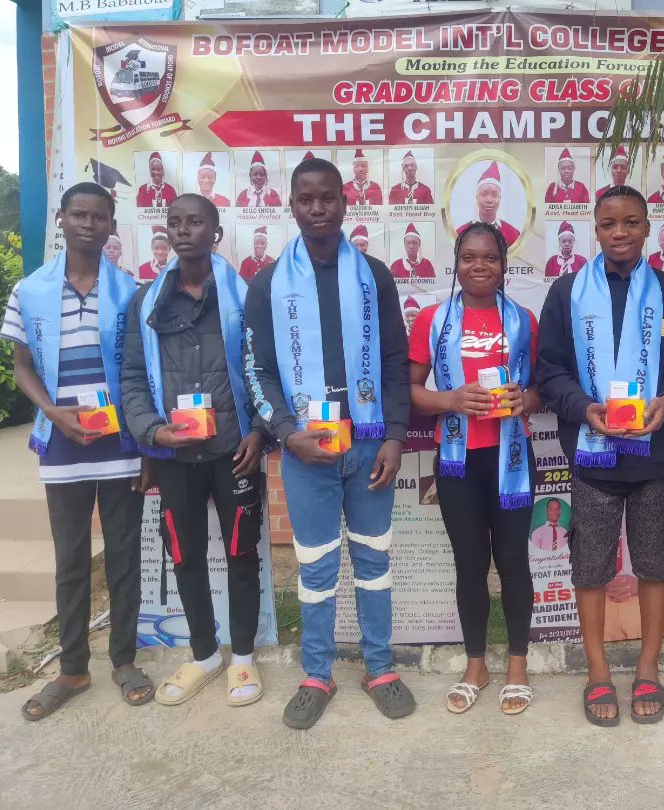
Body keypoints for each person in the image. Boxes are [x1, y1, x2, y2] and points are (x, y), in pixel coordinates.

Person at [244, 157, 413, 729]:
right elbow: (256, 369)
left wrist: (394, 435)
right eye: (305, 199)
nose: (317, 208)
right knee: (315, 567)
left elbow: (395, 360)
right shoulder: (268, 283)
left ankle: (380, 667)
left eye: (328, 198)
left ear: (345, 202)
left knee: (373, 560)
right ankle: (316, 673)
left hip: (367, 444)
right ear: (290, 205)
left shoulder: (375, 276)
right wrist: (288, 433)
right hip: (305, 450)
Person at [537, 185, 664, 726]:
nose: (620, 233)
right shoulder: (566, 293)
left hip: (652, 452)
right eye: (609, 224)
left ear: (648, 228)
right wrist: (584, 409)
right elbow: (550, 370)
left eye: (631, 222)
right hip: (592, 454)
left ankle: (649, 666)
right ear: (595, 229)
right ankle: (598, 671)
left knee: (655, 563)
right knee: (591, 566)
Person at [0, 182, 152, 720]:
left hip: (120, 444)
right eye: (78, 214)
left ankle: (125, 660)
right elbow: (22, 364)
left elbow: (140, 373)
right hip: (62, 443)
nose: (88, 224)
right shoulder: (30, 291)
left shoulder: (130, 291)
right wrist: (54, 411)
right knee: (70, 561)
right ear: (61, 219)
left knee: (124, 557)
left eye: (99, 216)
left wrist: (146, 448)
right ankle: (72, 668)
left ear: (113, 225)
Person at [121, 194, 269, 708]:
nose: (185, 231)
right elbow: (134, 379)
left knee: (241, 555)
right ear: (166, 232)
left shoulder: (244, 296)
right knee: (184, 558)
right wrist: (153, 432)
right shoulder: (147, 303)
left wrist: (260, 433)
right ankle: (205, 655)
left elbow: (262, 371)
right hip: (175, 458)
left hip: (236, 451)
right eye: (176, 223)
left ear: (216, 232)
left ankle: (244, 659)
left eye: (196, 222)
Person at [408, 221, 543, 716]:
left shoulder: (525, 320)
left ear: (504, 265)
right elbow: (411, 390)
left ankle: (517, 667)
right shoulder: (433, 320)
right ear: (456, 263)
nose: (479, 266)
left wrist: (523, 398)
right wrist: (450, 398)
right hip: (458, 461)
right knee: (469, 565)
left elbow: (544, 388)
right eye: (469, 257)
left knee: (512, 562)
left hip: (511, 459)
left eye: (489, 257)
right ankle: (476, 665)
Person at [456, 161, 521, 247]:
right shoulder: (460, 233)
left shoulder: (513, 235)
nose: (489, 200)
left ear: (500, 198)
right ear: (476, 197)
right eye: (484, 194)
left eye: (494, 195)